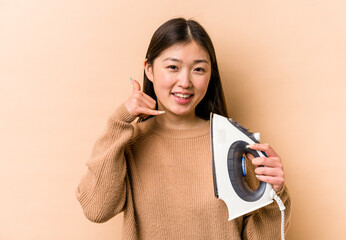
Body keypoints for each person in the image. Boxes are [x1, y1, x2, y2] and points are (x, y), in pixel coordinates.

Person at [75, 17, 291, 239]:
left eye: (198, 69)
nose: (185, 81)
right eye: (172, 67)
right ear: (148, 69)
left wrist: (273, 195)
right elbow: (96, 209)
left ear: (210, 76)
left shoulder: (235, 145)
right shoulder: (127, 143)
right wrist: (119, 121)